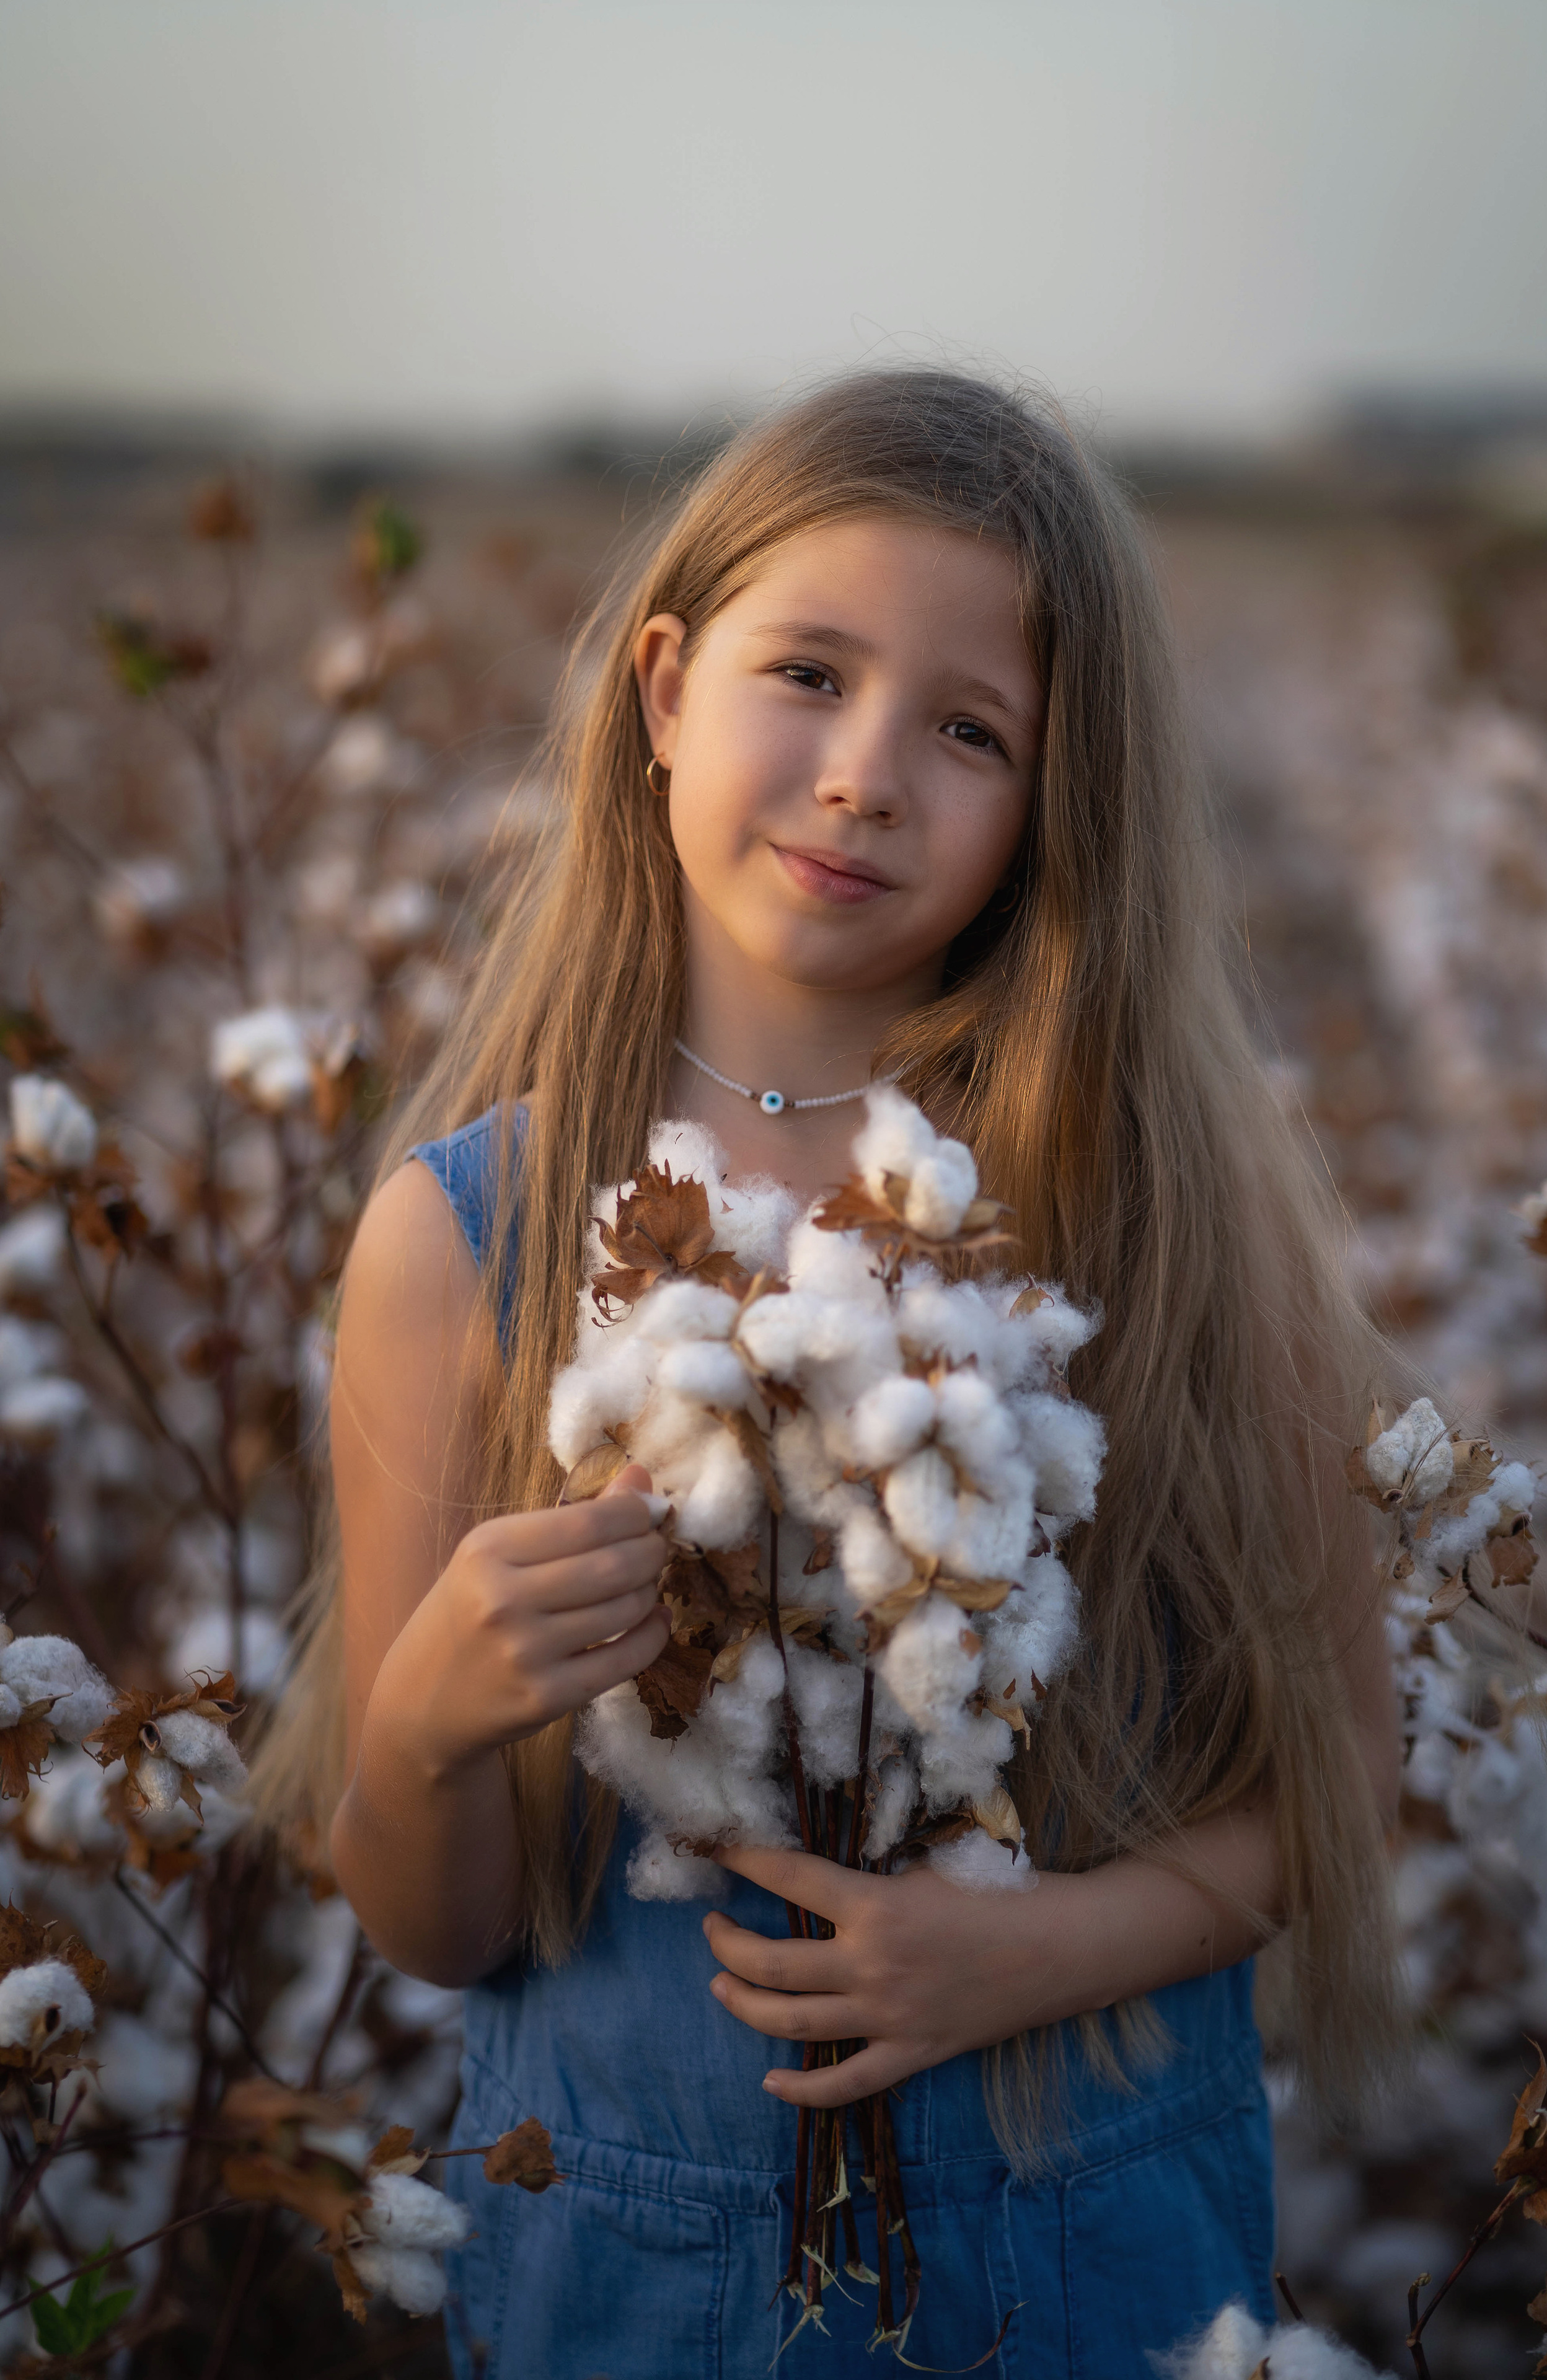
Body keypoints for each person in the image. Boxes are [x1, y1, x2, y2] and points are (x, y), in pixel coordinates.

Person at [262, 370, 1403, 2377]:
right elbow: (434, 1927)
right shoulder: (466, 1245)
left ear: (1063, 806)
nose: (869, 773)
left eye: (972, 731)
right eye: (810, 673)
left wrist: (1033, 1952)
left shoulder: (1148, 1215)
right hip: (634, 2290)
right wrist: (430, 1720)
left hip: (1103, 2265)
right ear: (664, 687)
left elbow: (1329, 1779)